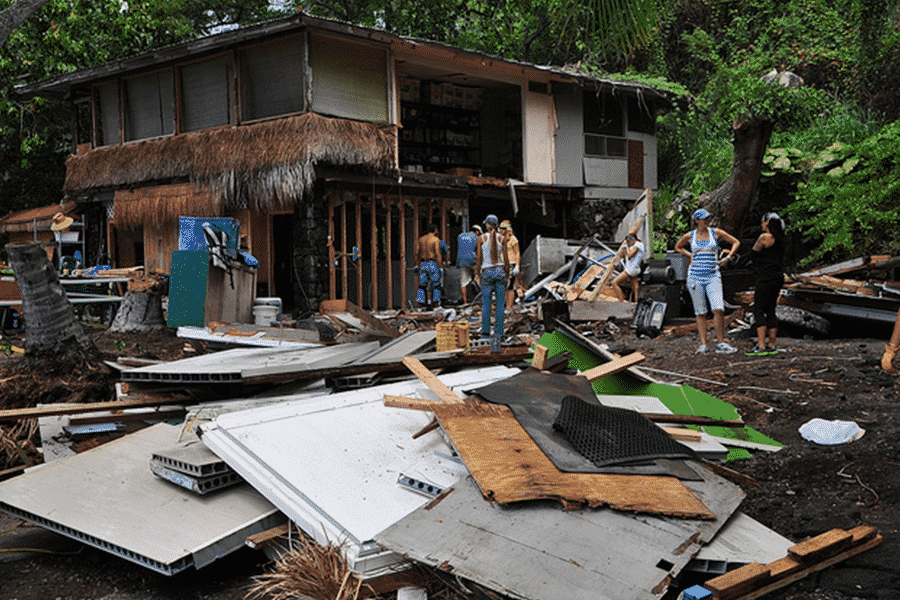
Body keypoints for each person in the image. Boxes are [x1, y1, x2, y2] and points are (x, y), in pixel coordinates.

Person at [674, 207, 741, 354]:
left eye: (707, 218)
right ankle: (703, 344)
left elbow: (735, 242)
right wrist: (689, 255)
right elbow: (677, 247)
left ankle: (721, 343)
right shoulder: (690, 236)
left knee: (718, 308)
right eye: (703, 219)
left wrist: (728, 258)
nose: (706, 221)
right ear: (697, 221)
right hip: (695, 276)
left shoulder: (715, 232)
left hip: (712, 275)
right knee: (700, 312)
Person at [746, 212, 786, 356]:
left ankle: (761, 345)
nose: (761, 224)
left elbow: (752, 254)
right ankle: (772, 344)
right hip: (777, 277)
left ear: (768, 222)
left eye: (763, 222)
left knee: (758, 309)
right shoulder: (781, 239)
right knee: (771, 309)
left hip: (765, 277)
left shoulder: (764, 238)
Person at [475, 214, 509, 351]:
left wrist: (478, 274)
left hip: (487, 272)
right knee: (500, 304)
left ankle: (485, 333)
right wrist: (507, 274)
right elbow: (506, 259)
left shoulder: (481, 239)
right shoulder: (502, 238)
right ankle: (499, 333)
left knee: (486, 304)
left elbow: (479, 258)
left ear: (487, 226)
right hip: (500, 271)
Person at [414, 223, 444, 309]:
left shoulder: (421, 239)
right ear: (435, 230)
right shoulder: (435, 239)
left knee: (422, 285)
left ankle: (419, 306)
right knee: (436, 284)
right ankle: (436, 304)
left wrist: (416, 265)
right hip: (432, 263)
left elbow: (416, 253)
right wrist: (440, 267)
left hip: (423, 264)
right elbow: (437, 254)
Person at [612, 232, 644, 301]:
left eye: (628, 241)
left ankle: (621, 302)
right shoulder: (634, 246)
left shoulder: (638, 244)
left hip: (631, 270)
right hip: (634, 269)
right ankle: (636, 304)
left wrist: (626, 246)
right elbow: (626, 258)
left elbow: (630, 255)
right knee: (635, 288)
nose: (628, 243)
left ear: (632, 239)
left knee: (614, 282)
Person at [499, 219, 522, 309]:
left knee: (510, 287)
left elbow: (517, 253)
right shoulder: (502, 239)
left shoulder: (513, 239)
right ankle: (507, 306)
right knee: (504, 287)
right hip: (503, 266)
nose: (501, 230)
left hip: (511, 265)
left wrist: (517, 265)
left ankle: (510, 306)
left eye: (503, 228)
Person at [456, 224, 481, 304]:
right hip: (472, 260)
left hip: (461, 261)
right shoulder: (477, 238)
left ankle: (465, 302)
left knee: (463, 282)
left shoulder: (460, 236)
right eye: (479, 233)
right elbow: (479, 252)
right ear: (476, 231)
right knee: (479, 274)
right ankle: (475, 281)